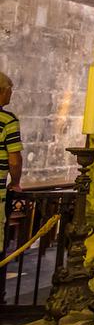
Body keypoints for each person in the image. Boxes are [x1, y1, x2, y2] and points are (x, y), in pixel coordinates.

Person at [0, 72, 23, 222]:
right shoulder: (8, 121)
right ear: (2, 90)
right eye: (10, 89)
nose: (11, 93)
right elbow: (14, 161)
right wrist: (15, 182)